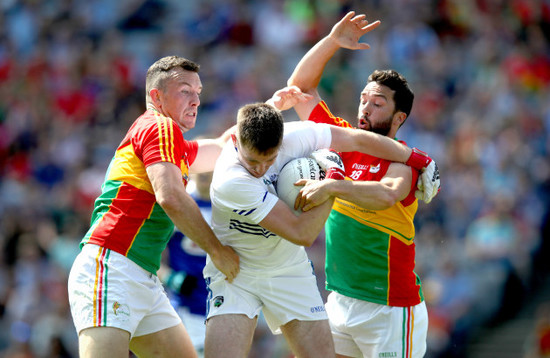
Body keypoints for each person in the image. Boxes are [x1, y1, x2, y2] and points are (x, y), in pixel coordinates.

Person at [202, 99, 439, 358]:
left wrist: (417, 158)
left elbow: (356, 139)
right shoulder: (231, 180)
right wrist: (334, 177)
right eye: (252, 161)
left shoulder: (298, 135)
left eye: (269, 160)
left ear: (282, 141)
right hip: (237, 271)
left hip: (289, 270)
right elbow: (302, 233)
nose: (259, 170)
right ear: (235, 141)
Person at [283, 10, 440, 358]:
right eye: (364, 99)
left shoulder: (402, 158)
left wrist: (334, 187)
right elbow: (300, 89)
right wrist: (331, 42)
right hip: (340, 298)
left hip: (390, 307)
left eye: (378, 103)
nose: (366, 108)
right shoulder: (343, 139)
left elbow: (386, 194)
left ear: (399, 118)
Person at [67, 56, 240, 358]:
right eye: (185, 90)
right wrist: (218, 251)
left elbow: (224, 147)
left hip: (140, 276)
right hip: (111, 266)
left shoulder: (173, 144)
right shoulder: (160, 127)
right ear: (157, 97)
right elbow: (170, 196)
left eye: (198, 92)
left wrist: (271, 110)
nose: (196, 100)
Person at [160, 170, 213, 356]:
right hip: (185, 305)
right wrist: (169, 276)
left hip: (223, 305)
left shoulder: (230, 203)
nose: (205, 171)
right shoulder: (177, 202)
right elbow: (146, 249)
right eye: (201, 165)